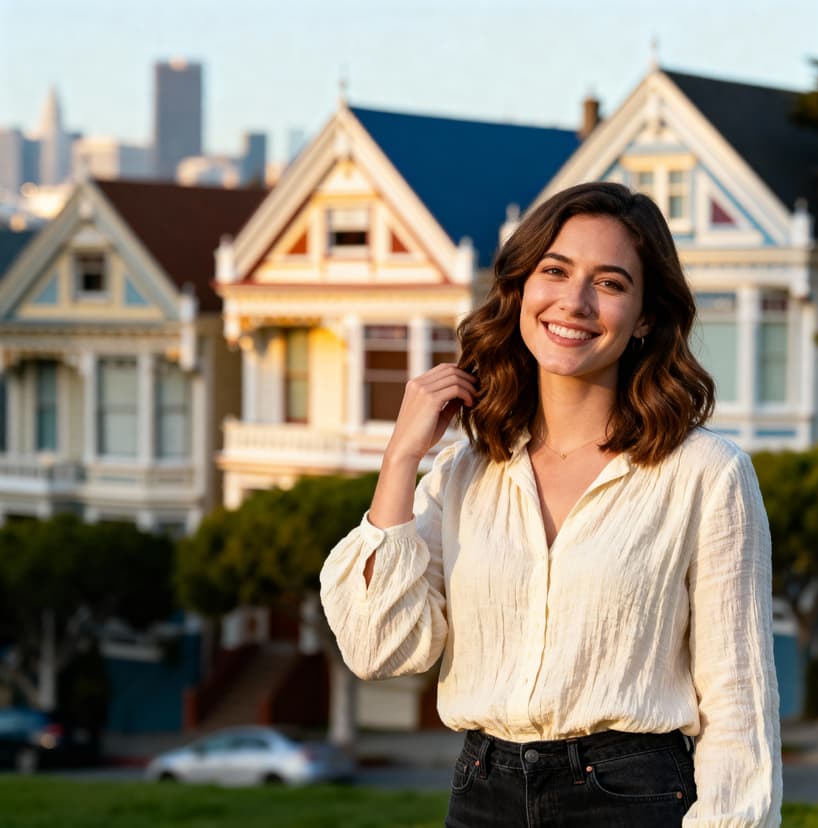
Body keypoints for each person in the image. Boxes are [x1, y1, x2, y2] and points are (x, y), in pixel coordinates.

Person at [320, 182, 781, 827]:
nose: (576, 301)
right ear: (521, 290)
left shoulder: (707, 473)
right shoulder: (463, 474)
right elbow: (381, 649)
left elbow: (738, 702)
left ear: (646, 316)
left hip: (635, 799)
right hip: (483, 794)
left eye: (611, 283)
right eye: (555, 271)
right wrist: (401, 457)